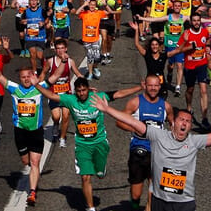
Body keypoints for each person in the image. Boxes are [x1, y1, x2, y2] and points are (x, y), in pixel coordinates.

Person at [95, 95, 211, 211]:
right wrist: (107, 109)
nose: (185, 123)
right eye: (182, 120)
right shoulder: (158, 135)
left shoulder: (194, 141)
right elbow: (133, 122)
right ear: (173, 122)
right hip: (159, 200)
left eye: (188, 122)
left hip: (184, 202)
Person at [33, 75, 141, 211]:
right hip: (82, 144)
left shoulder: (98, 97)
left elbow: (118, 94)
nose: (81, 93)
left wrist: (140, 87)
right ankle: (91, 208)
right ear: (75, 91)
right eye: (79, 91)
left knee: (100, 174)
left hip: (100, 142)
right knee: (85, 177)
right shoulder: (71, 100)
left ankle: (101, 169)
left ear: (88, 90)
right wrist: (37, 85)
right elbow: (53, 96)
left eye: (84, 90)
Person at [0, 61, 47, 207]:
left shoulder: (40, 88)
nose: (26, 79)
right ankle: (33, 180)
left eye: (28, 76)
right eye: (23, 77)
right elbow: (0, 76)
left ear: (33, 76)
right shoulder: (14, 89)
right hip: (20, 132)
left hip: (36, 132)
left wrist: (63, 61)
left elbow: (56, 76)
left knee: (34, 163)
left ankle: (32, 192)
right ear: (20, 79)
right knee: (26, 162)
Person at [117, 74, 173, 209]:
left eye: (156, 86)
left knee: (155, 187)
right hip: (139, 149)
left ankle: (150, 207)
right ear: (145, 86)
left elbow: (174, 125)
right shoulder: (135, 103)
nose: (153, 88)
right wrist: (134, 129)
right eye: (150, 85)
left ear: (160, 87)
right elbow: (119, 121)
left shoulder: (166, 106)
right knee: (136, 194)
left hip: (157, 151)